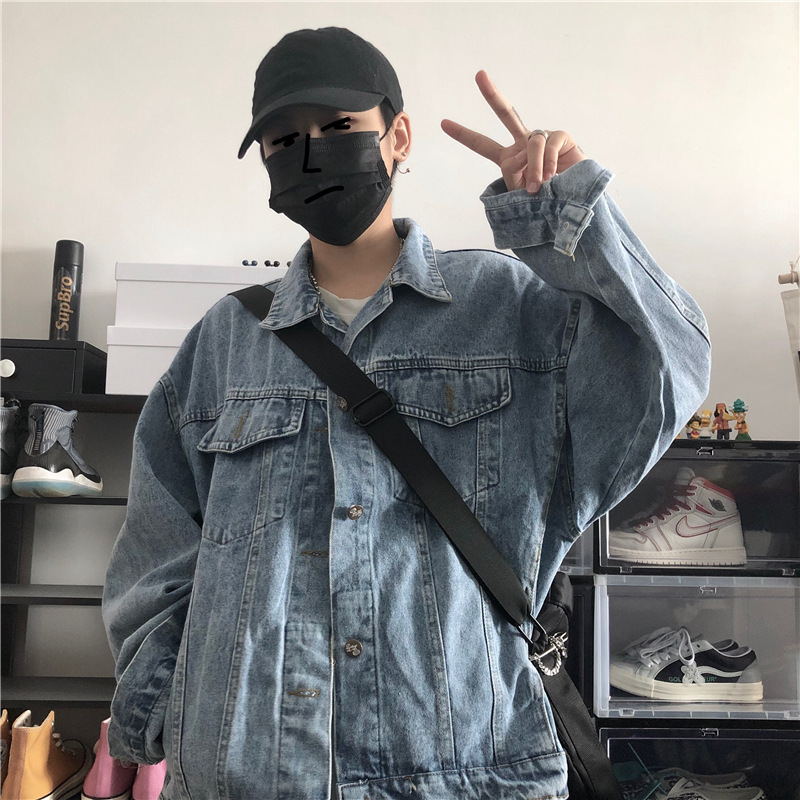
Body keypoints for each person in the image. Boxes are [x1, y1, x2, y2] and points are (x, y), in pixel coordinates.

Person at [101, 26, 711, 800]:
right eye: (284, 140)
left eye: (338, 126)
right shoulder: (225, 341)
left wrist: (570, 224)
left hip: (465, 774)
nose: (311, 153)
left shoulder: (509, 309)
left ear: (399, 137)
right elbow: (155, 563)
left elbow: (665, 372)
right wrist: (169, 712)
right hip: (245, 774)